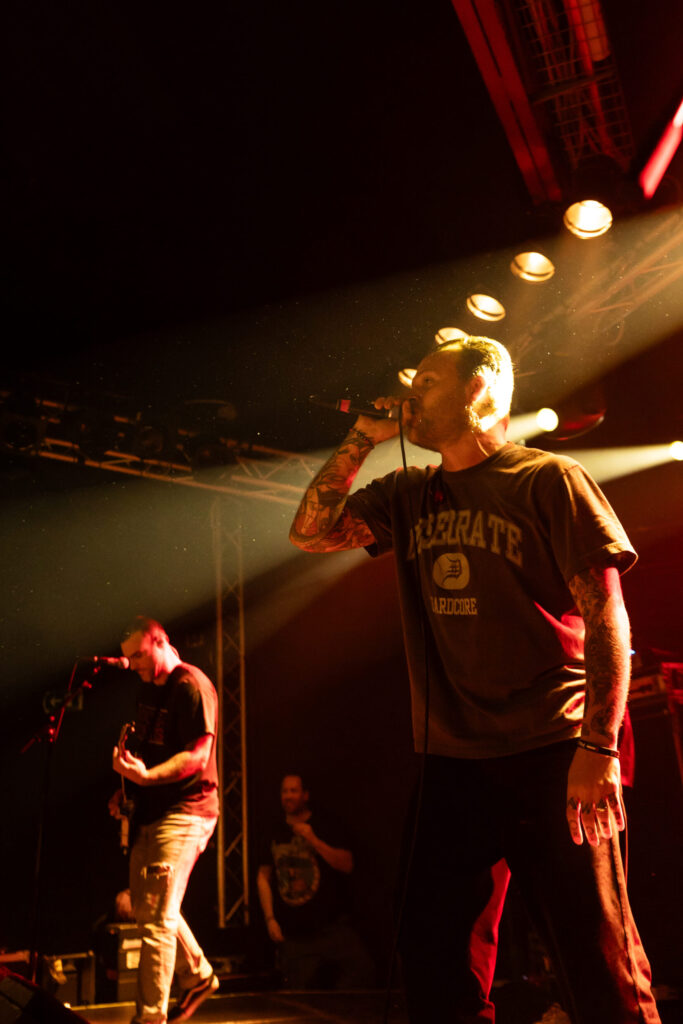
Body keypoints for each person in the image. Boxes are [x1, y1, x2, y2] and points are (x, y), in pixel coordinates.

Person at [288, 336, 661, 1023]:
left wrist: (598, 747)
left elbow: (607, 615)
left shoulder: (547, 478)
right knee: (433, 950)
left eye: (426, 381)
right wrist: (362, 437)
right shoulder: (406, 492)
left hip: (555, 746)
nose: (410, 395)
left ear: (479, 389)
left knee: (593, 946)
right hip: (454, 758)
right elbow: (311, 533)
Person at [109, 616, 220, 1024]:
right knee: (147, 906)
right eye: (128, 657)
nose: (133, 663)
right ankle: (199, 975)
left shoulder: (191, 686)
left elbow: (197, 757)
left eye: (138, 654)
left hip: (188, 812)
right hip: (154, 812)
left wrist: (146, 777)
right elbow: (151, 754)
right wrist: (126, 793)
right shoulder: (148, 690)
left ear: (161, 641)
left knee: (156, 917)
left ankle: (150, 1018)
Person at [256, 773, 375, 990]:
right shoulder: (274, 830)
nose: (288, 796)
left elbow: (347, 865)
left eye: (293, 791)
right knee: (298, 998)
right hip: (295, 935)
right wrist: (270, 918)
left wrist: (314, 840)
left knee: (362, 973)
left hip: (331, 928)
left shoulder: (325, 824)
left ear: (305, 795)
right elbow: (263, 876)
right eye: (284, 791)